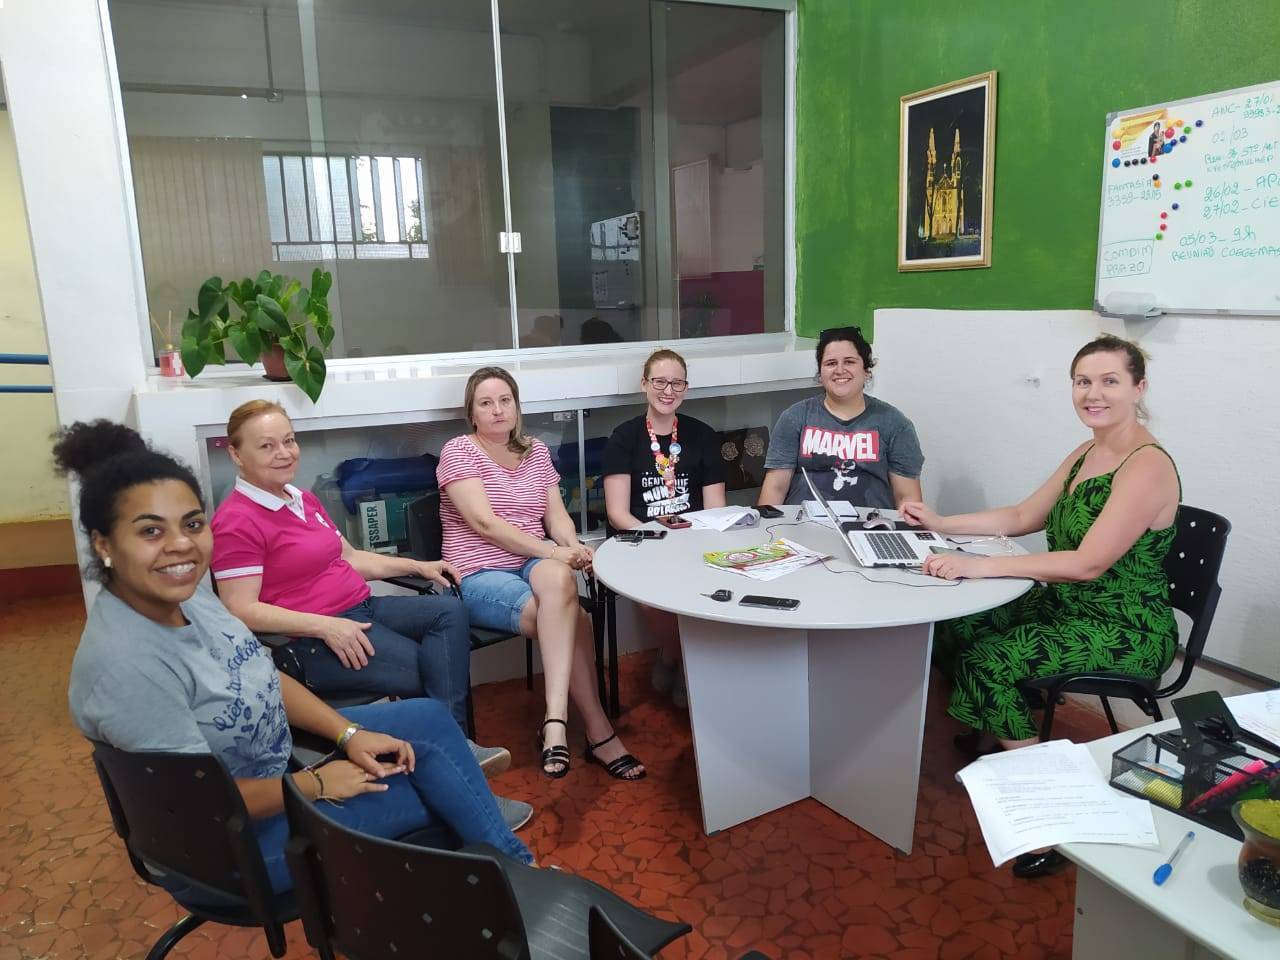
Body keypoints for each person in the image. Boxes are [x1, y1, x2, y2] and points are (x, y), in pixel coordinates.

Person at [60, 420, 534, 905]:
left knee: (430, 720)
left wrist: (348, 735)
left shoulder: (191, 598)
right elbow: (200, 803)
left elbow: (260, 675)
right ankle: (511, 896)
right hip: (229, 846)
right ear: (103, 544)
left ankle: (511, 873)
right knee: (438, 789)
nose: (180, 544)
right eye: (150, 531)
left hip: (279, 767)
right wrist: (317, 782)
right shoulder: (127, 666)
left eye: (192, 524)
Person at [901, 335, 1179, 878]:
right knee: (957, 625)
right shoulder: (1087, 452)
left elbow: (1088, 564)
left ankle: (1050, 821)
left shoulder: (1146, 466)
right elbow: (1024, 515)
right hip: (1068, 609)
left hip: (1125, 627)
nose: (1093, 394)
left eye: (1109, 381)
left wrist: (979, 565)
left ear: (1138, 388)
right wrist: (942, 523)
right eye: (1082, 381)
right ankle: (997, 722)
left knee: (988, 660)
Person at [208, 400, 513, 778]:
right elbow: (239, 608)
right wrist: (325, 626)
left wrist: (419, 566)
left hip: (361, 608)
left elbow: (350, 558)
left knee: (449, 611)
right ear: (236, 454)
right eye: (267, 446)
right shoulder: (235, 521)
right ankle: (456, 757)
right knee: (434, 669)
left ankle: (451, 751)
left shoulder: (302, 499)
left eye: (289, 440)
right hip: (311, 639)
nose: (284, 453)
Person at [438, 367, 645, 782]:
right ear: (472, 413)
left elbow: (556, 516)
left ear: (517, 407)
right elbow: (485, 524)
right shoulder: (459, 451)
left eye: (505, 401)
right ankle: (598, 732)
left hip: (530, 560)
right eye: (486, 403)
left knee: (559, 581)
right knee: (574, 617)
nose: (497, 410)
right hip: (477, 570)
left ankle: (555, 721)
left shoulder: (534, 451)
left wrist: (572, 546)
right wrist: (553, 551)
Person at [603, 348, 726, 707]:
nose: (668, 390)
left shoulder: (702, 435)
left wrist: (692, 544)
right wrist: (659, 540)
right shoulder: (624, 438)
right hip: (642, 541)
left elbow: (715, 508)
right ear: (644, 384)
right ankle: (680, 658)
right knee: (653, 597)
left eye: (677, 383)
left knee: (710, 585)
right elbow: (617, 513)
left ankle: (677, 659)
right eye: (659, 381)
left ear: (686, 388)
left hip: (693, 539)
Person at [758, 325, 924, 510]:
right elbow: (776, 487)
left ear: (866, 370)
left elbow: (907, 498)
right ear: (820, 374)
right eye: (830, 363)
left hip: (871, 523)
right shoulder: (794, 418)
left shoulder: (895, 424)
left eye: (849, 362)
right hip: (803, 523)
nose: (839, 370)